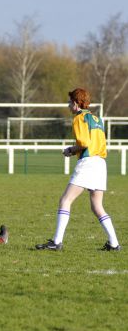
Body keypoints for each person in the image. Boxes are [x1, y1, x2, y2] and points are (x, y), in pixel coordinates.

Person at [36, 88, 121, 251]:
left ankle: (56, 242)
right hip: (101, 162)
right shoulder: (97, 118)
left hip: (88, 162)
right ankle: (114, 243)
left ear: (76, 103)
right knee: (97, 206)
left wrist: (71, 150)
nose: (68, 106)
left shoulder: (79, 118)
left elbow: (83, 143)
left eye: (69, 102)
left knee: (65, 200)